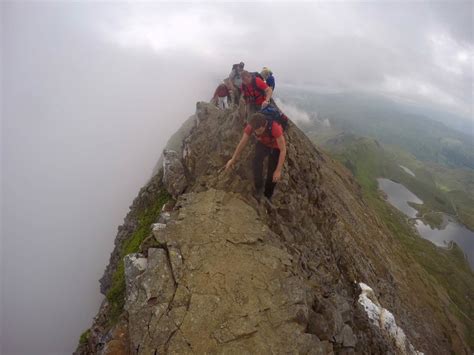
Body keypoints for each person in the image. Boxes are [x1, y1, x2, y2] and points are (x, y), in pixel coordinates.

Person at [225, 112, 286, 201]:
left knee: (272, 174)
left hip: (275, 146)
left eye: (260, 131)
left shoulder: (275, 128)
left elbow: (283, 150)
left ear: (264, 125)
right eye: (256, 132)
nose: (258, 133)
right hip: (263, 143)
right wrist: (233, 159)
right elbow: (243, 142)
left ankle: (267, 195)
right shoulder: (251, 126)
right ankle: (258, 187)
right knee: (256, 161)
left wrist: (278, 170)